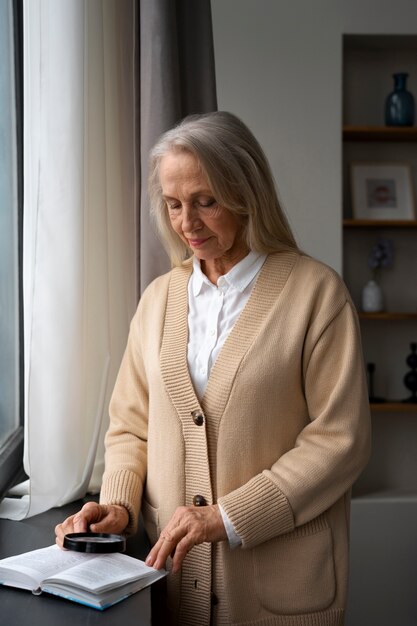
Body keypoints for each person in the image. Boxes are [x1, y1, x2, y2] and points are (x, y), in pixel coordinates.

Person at [55, 111, 371, 626]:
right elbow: (131, 427)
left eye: (206, 201)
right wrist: (119, 504)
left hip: (279, 591)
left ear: (247, 192)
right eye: (174, 205)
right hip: (174, 588)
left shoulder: (317, 295)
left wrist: (226, 516)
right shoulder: (158, 300)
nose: (188, 223)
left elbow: (341, 441)